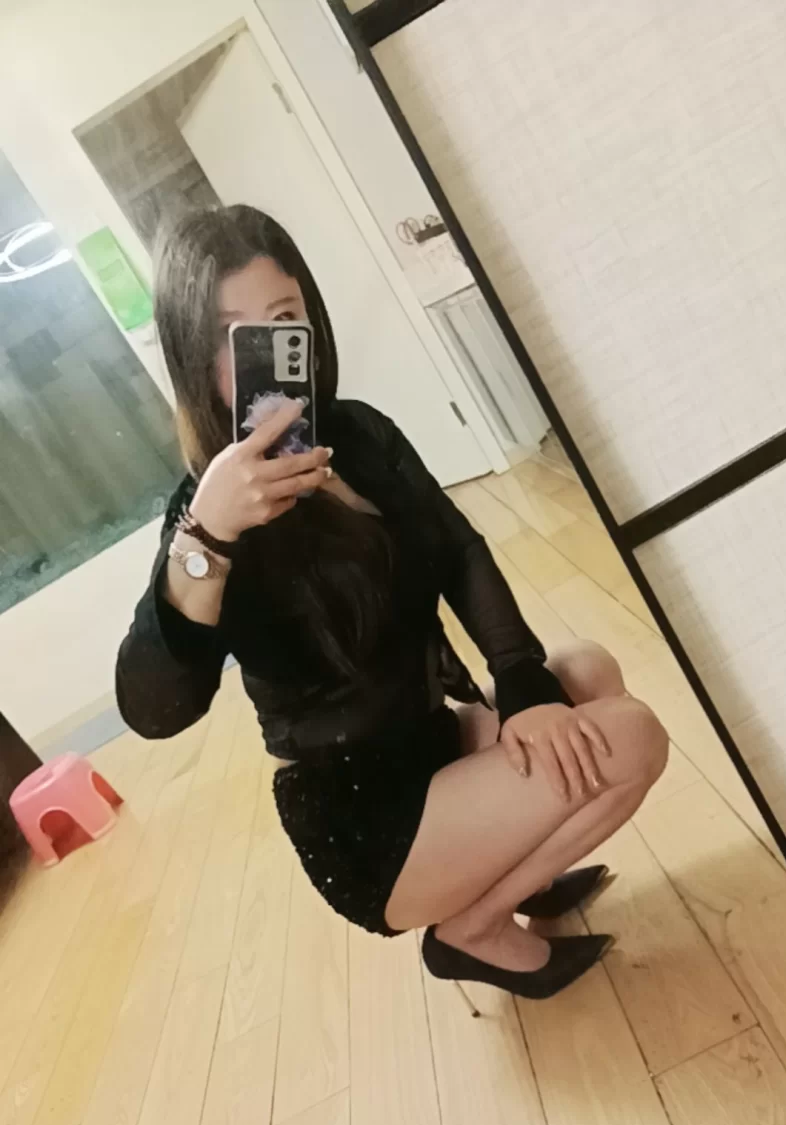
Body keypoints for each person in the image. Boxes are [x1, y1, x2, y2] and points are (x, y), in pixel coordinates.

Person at [117, 205, 668, 1002]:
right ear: (193, 359)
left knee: (583, 674)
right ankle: (473, 928)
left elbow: (458, 549)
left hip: (429, 739)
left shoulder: (358, 435)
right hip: (364, 817)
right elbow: (156, 709)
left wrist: (520, 681)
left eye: (284, 321)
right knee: (632, 739)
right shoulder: (203, 514)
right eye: (234, 337)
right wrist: (211, 534)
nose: (267, 354)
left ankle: (517, 866)